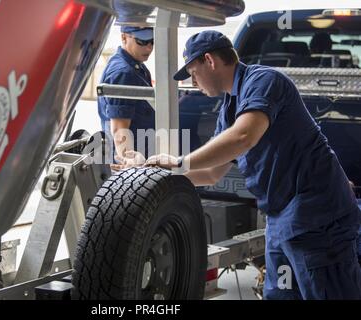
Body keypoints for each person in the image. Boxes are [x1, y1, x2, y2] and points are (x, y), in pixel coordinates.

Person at [139, 30, 361, 299]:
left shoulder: (264, 81)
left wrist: (179, 162)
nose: (193, 82)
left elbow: (244, 136)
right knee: (279, 295)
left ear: (210, 60)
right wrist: (161, 178)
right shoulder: (230, 107)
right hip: (281, 220)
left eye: (193, 72)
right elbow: (211, 173)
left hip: (318, 216)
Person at [97, 26, 155, 166]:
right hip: (132, 163)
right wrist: (130, 166)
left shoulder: (137, 66)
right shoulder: (124, 73)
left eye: (152, 41)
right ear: (124, 37)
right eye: (142, 41)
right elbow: (119, 129)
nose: (149, 48)